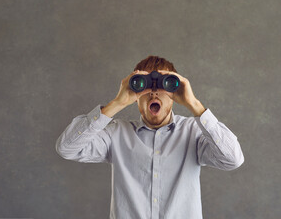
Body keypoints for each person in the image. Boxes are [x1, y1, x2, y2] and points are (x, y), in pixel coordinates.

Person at [55, 55, 245, 219]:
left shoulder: (193, 132)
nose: (154, 92)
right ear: (136, 95)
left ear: (174, 93)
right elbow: (67, 148)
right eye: (144, 86)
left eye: (164, 84)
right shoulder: (117, 134)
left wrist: (194, 105)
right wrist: (117, 103)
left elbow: (232, 159)